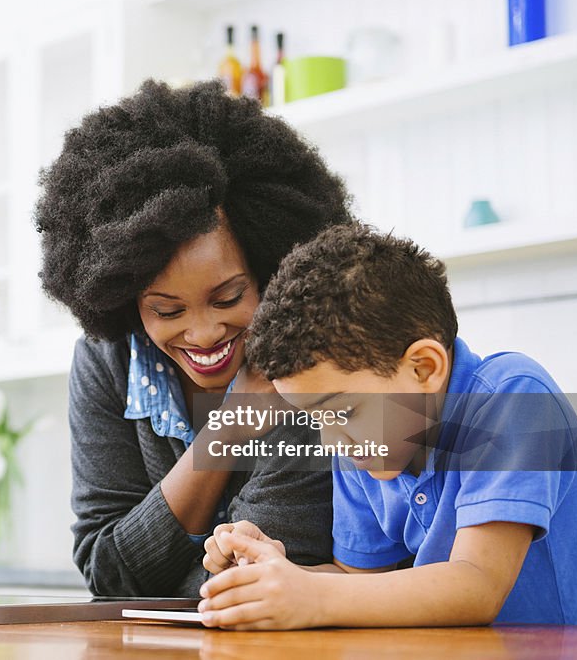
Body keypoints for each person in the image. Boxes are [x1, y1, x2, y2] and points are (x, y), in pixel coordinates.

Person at [34, 80, 354, 597]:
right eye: (166, 309)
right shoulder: (107, 361)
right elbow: (105, 571)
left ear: (272, 267)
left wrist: (155, 567)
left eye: (228, 298)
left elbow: (254, 577)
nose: (204, 333)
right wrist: (229, 431)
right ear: (126, 301)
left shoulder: (317, 357)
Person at [200, 224, 577, 627]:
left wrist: (312, 596)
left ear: (423, 367)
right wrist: (273, 576)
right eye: (315, 418)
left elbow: (477, 584)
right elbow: (355, 581)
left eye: (341, 412)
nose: (329, 439)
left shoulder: (512, 395)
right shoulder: (367, 450)